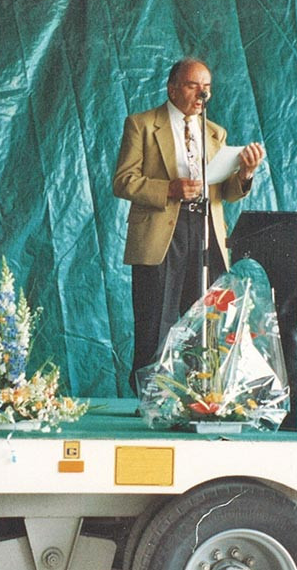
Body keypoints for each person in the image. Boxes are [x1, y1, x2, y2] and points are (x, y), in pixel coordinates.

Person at [113, 57, 264, 391]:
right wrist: (169, 189)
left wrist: (245, 174)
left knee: (207, 318)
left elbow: (226, 193)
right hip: (162, 231)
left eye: (207, 87)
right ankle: (151, 396)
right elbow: (123, 181)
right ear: (172, 89)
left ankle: (202, 394)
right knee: (155, 319)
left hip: (206, 231)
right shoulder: (141, 125)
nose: (202, 94)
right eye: (194, 86)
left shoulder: (215, 132)